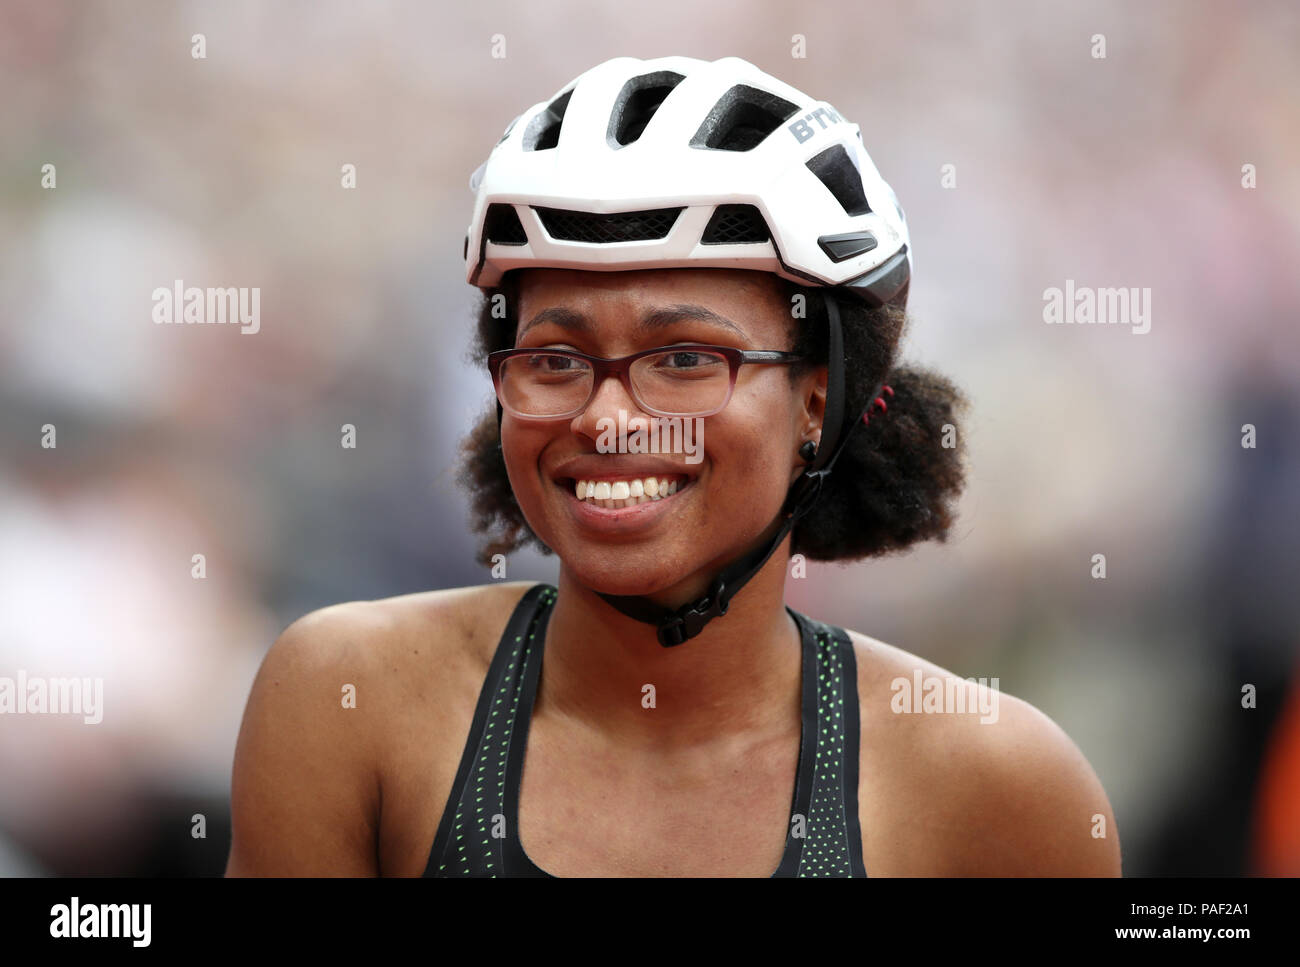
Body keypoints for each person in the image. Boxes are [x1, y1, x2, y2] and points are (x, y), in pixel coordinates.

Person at [226, 55, 1121, 877]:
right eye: (554, 359)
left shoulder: (996, 784)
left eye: (687, 359)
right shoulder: (345, 699)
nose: (608, 418)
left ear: (819, 398)